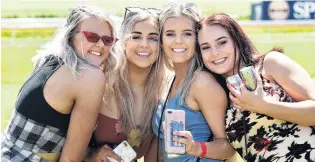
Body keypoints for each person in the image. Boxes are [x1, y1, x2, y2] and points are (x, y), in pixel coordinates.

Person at [1, 6, 119, 162]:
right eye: (91, 36)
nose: (100, 44)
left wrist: (91, 153)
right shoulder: (91, 77)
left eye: (107, 39)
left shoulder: (49, 60)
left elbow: (41, 142)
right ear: (70, 36)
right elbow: (70, 159)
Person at [198, 13, 315, 162]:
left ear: (237, 39)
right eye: (206, 47)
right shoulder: (217, 95)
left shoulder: (270, 64)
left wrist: (263, 106)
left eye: (222, 42)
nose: (215, 52)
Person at [150, 4, 235, 162]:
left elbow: (229, 148)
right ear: (161, 40)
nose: (178, 41)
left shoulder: (201, 82)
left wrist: (196, 147)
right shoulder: (170, 80)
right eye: (170, 34)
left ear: (197, 39)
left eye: (187, 34)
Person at [83, 7, 165, 162]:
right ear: (123, 41)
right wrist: (91, 154)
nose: (144, 44)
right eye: (136, 37)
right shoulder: (102, 83)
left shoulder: (161, 96)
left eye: (153, 38)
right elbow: (60, 139)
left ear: (161, 45)